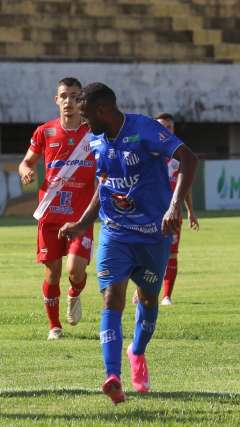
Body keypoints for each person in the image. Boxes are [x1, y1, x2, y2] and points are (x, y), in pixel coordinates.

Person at [59, 83, 198, 404]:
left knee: (149, 302)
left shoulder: (144, 130)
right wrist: (83, 222)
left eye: (86, 116)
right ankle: (112, 376)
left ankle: (136, 352)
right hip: (115, 232)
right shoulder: (95, 138)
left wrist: (175, 204)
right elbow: (104, 184)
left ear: (103, 111)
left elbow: (189, 159)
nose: (83, 123)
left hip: (152, 235)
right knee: (112, 298)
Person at [18, 77, 96, 340]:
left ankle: (75, 293)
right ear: (56, 100)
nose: (69, 102)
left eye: (75, 97)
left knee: (76, 270)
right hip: (50, 214)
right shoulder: (45, 131)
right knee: (52, 273)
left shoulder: (93, 134)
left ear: (81, 101)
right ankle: (55, 327)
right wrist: (26, 171)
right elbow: (26, 162)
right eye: (64, 96)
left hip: (81, 217)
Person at [154, 113, 200, 305]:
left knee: (171, 254)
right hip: (149, 213)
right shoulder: (149, 153)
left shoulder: (181, 155)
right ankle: (143, 289)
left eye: (169, 127)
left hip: (172, 214)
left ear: (173, 130)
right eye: (161, 126)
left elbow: (186, 187)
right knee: (146, 253)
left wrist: (190, 211)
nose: (165, 130)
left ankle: (166, 296)